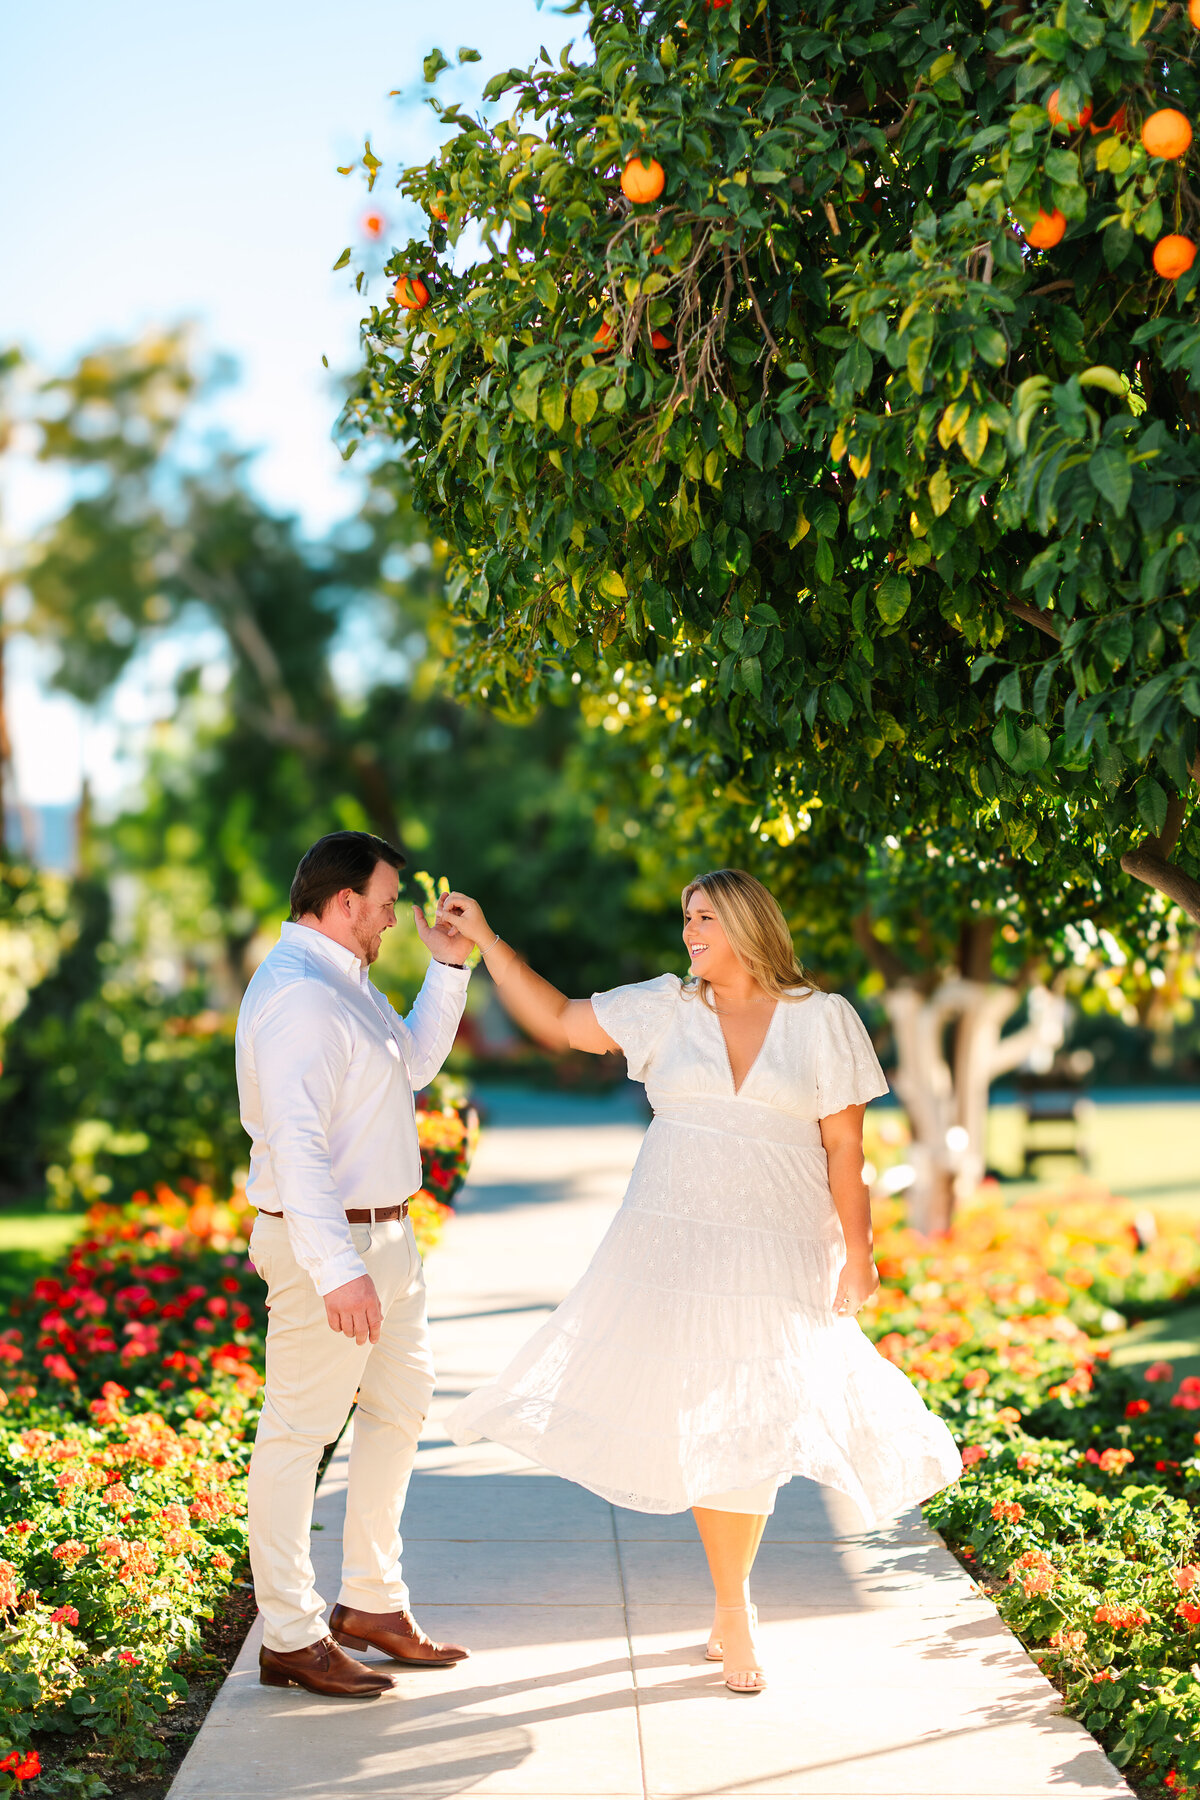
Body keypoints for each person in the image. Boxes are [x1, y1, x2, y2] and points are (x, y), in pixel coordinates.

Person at [434, 868, 962, 1696]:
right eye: (687, 917)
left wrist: (859, 1253)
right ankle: (735, 1608)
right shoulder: (665, 1007)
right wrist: (489, 941)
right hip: (674, 1248)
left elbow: (846, 1150)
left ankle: (729, 1607)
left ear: (750, 922)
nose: (690, 931)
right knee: (716, 1415)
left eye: (706, 915)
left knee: (755, 1420)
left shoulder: (824, 1020)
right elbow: (560, 1019)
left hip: (783, 1246)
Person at [236, 831, 475, 1698]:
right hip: (329, 1246)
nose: (390, 923)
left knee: (400, 1407)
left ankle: (370, 1602)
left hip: (385, 1239)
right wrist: (338, 1268)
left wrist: (447, 969)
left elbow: (410, 1063)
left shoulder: (345, 983)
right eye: (382, 907)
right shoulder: (300, 997)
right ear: (342, 905)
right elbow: (296, 1146)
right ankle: (292, 1637)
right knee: (298, 1436)